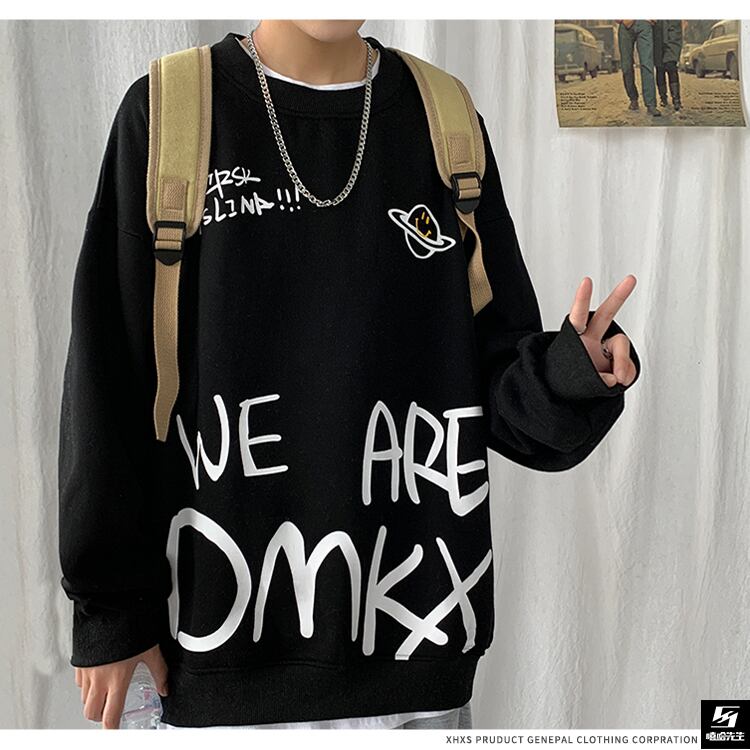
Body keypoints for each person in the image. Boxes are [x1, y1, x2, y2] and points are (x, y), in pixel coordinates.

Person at [58, 20, 641, 730]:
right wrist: (113, 613)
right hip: (216, 665)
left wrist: (570, 374)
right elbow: (107, 380)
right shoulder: (171, 109)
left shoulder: (444, 118)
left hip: (418, 664)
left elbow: (491, 379)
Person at [616, 19, 662, 116]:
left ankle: (651, 104)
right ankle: (633, 98)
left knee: (647, 64)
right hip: (625, 23)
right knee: (626, 66)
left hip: (644, 23)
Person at [653, 20, 683, 111]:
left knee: (671, 67)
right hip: (657, 36)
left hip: (672, 36)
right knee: (660, 68)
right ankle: (663, 98)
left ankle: (676, 100)